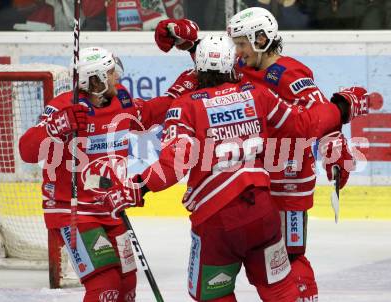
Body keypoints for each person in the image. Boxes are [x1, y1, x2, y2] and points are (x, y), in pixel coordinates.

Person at [104, 34, 369, 301]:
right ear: (232, 65)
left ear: (199, 70)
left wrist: (138, 186)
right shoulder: (257, 95)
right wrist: (341, 108)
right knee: (279, 288)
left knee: (212, 294)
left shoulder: (185, 106)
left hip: (217, 219)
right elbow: (303, 124)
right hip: (263, 212)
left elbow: (176, 160)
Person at [18, 46, 194, 302]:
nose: (117, 77)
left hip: (110, 207)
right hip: (72, 210)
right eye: (111, 73)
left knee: (126, 284)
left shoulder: (121, 98)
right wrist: (56, 128)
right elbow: (27, 150)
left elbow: (145, 114)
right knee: (105, 285)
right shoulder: (63, 107)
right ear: (96, 80)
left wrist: (180, 90)